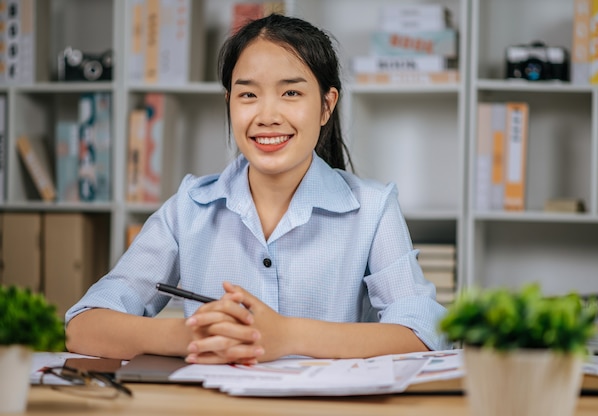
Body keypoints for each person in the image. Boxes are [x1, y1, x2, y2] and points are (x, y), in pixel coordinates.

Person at [65, 13, 449, 364]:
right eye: (248, 94)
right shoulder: (189, 208)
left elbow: (422, 335)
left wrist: (287, 335)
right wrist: (193, 336)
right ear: (229, 102)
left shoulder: (373, 209)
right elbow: (84, 326)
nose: (267, 116)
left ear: (326, 107)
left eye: (291, 93)